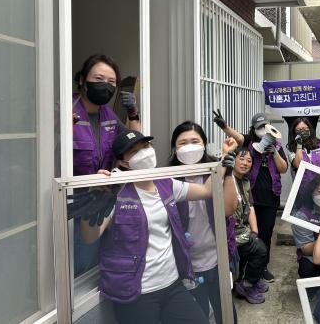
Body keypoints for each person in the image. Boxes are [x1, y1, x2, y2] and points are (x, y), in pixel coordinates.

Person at [80, 129, 237, 324]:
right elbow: (90, 236)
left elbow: (206, 190)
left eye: (146, 146)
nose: (144, 152)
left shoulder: (165, 183)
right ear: (123, 162)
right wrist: (92, 205)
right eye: (134, 151)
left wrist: (224, 160)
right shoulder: (116, 192)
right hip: (136, 293)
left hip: (172, 285)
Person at [72, 54, 141, 275]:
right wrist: (61, 125)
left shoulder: (108, 115)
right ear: (82, 80)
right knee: (78, 266)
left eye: (112, 82)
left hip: (104, 201)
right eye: (99, 79)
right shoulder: (65, 110)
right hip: (74, 207)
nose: (106, 85)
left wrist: (133, 112)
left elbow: (135, 142)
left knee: (98, 262)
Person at [169, 121, 239, 323]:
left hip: (218, 258)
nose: (189, 147)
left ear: (204, 144)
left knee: (226, 313)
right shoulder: (167, 177)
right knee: (197, 316)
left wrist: (227, 171)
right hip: (186, 264)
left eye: (195, 141)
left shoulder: (217, 169)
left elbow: (228, 209)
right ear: (174, 148)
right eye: (183, 143)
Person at [213, 110, 288, 282]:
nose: (262, 129)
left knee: (266, 234)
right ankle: (244, 267)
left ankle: (262, 267)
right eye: (259, 127)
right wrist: (224, 126)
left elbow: (283, 169)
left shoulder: (276, 145)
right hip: (250, 195)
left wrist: (274, 152)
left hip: (270, 197)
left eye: (265, 126)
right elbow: (238, 138)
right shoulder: (250, 141)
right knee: (247, 233)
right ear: (254, 128)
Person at [230, 147, 270, 304]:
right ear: (233, 160)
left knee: (258, 243)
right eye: (241, 159)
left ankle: (250, 280)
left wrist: (254, 231)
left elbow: (251, 207)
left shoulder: (245, 182)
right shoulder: (227, 180)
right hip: (230, 233)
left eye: (249, 161)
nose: (245, 163)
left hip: (242, 230)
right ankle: (247, 285)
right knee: (260, 251)